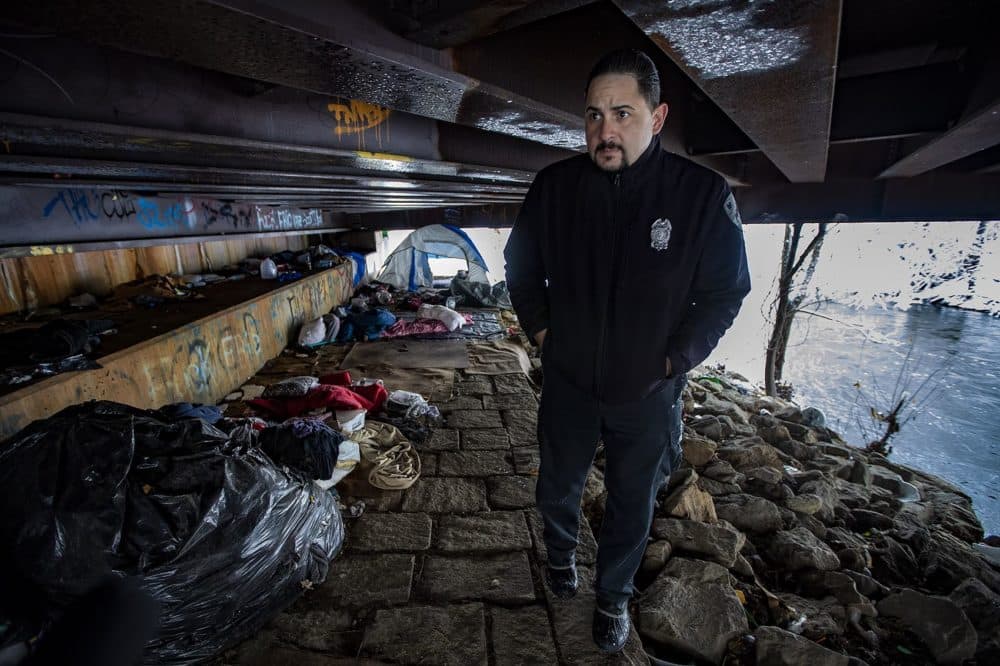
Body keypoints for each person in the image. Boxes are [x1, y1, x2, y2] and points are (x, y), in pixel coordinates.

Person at [504, 48, 750, 653]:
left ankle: (613, 597)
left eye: (622, 113)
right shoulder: (555, 188)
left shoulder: (701, 196)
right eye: (593, 116)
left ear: (658, 117)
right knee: (558, 485)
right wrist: (542, 334)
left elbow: (725, 292)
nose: (604, 131)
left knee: (632, 502)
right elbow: (520, 267)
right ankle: (561, 559)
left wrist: (674, 360)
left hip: (647, 391)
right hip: (569, 380)